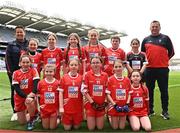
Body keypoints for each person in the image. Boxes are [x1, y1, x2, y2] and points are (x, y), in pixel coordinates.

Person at [141, 20, 175, 120]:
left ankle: (165, 111)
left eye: (156, 26)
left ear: (159, 27)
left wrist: (163, 61)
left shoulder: (165, 38)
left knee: (164, 91)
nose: (154, 28)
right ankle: (150, 110)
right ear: (150, 28)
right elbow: (143, 55)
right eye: (153, 27)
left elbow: (172, 52)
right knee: (149, 91)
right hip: (149, 70)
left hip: (162, 70)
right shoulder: (145, 39)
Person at [5, 25, 29, 121]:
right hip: (15, 73)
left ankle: (27, 110)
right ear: (15, 34)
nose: (19, 33)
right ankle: (15, 111)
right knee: (14, 91)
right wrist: (11, 73)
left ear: (24, 32)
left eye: (21, 32)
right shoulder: (11, 45)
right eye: (17, 32)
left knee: (27, 90)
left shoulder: (28, 44)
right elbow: (7, 60)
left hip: (27, 72)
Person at [12, 54, 39, 130]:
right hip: (20, 97)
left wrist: (31, 95)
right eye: (23, 62)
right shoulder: (15, 73)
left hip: (31, 96)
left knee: (29, 101)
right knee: (22, 122)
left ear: (30, 63)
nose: (25, 64)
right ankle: (35, 114)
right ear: (20, 63)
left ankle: (32, 118)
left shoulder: (33, 70)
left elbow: (36, 84)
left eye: (27, 62)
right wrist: (26, 96)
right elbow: (17, 89)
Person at [81, 56, 108, 131]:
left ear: (101, 64)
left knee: (100, 128)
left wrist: (105, 102)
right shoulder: (87, 74)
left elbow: (107, 90)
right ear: (90, 64)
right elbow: (84, 90)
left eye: (97, 62)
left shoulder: (105, 75)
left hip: (101, 104)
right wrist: (92, 103)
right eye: (93, 63)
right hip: (90, 104)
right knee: (91, 128)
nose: (95, 64)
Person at [59, 59, 83, 131]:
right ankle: (59, 118)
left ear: (78, 67)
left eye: (75, 65)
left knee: (76, 127)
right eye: (72, 65)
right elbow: (60, 93)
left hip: (77, 108)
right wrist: (61, 107)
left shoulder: (81, 78)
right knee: (67, 128)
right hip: (67, 108)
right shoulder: (64, 77)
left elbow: (84, 93)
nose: (73, 67)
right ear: (68, 66)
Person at [106, 59, 131, 129]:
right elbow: (108, 94)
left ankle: (122, 117)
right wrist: (114, 104)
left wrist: (127, 104)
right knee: (115, 127)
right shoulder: (110, 79)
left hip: (124, 105)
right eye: (116, 67)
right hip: (114, 105)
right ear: (113, 68)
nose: (118, 68)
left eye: (120, 66)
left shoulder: (127, 80)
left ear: (123, 67)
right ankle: (109, 116)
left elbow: (129, 93)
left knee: (122, 127)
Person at [37, 64, 60, 129]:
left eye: (50, 72)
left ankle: (58, 119)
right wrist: (38, 107)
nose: (48, 73)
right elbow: (38, 96)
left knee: (52, 128)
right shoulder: (40, 83)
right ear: (44, 72)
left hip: (54, 109)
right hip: (44, 109)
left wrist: (58, 109)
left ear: (54, 72)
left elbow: (59, 96)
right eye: (47, 71)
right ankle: (41, 118)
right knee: (46, 128)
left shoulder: (57, 83)